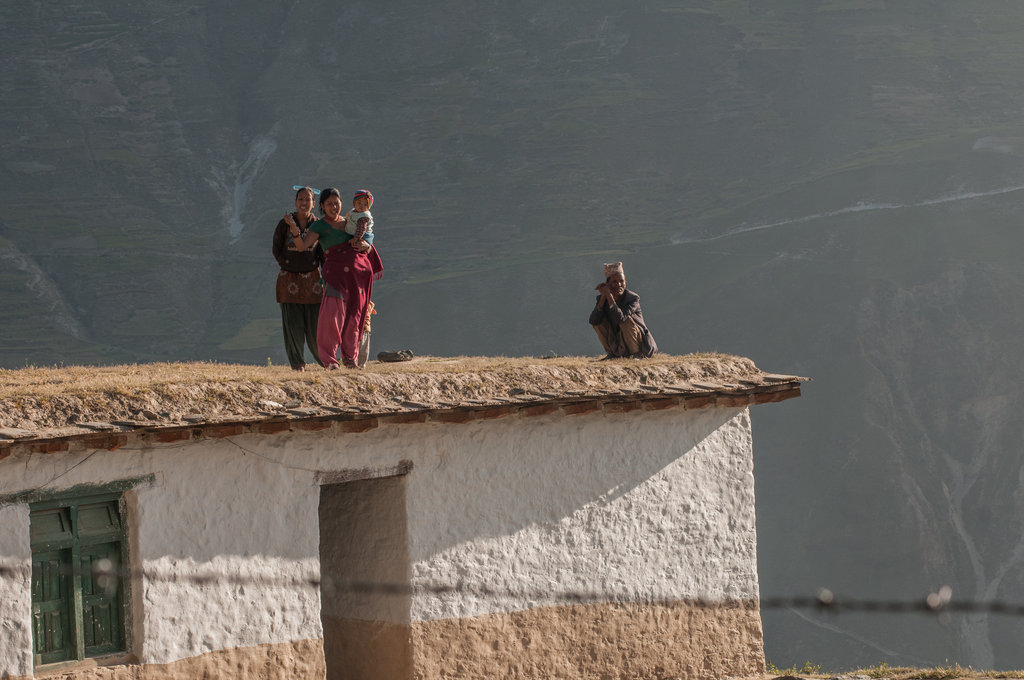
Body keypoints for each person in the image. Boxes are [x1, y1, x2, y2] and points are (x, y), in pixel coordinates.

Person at [287, 187, 383, 369]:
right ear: (322, 206)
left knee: (353, 319)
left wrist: (367, 247)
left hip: (357, 277)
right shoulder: (320, 226)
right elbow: (302, 246)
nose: (333, 207)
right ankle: (330, 360)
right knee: (332, 318)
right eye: (329, 204)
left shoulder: (350, 223)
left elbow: (367, 243)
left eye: (336, 203)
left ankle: (349, 359)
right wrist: (293, 228)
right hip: (335, 277)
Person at [272, 186, 324, 371]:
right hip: (289, 281)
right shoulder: (284, 224)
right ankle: (297, 363)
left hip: (313, 281)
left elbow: (322, 252)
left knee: (315, 325)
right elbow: (276, 248)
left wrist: (324, 274)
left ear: (313, 203)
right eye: (300, 199)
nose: (303, 203)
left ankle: (325, 361)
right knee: (292, 323)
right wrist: (286, 264)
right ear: (295, 202)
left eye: (307, 200)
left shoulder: (318, 224)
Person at [589, 261, 658, 359]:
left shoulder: (632, 299)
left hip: (639, 344)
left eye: (622, 281)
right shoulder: (602, 299)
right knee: (599, 322)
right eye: (614, 282)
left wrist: (609, 296)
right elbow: (593, 321)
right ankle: (611, 354)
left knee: (626, 321)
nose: (619, 284)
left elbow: (621, 319)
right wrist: (603, 298)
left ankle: (636, 354)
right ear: (607, 284)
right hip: (619, 342)